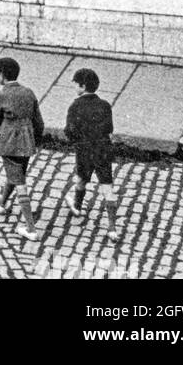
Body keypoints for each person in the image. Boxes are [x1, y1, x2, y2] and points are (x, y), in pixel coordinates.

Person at [0, 56, 45, 242]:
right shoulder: (28, 92)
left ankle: (31, 228)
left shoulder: (1, 95)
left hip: (10, 142)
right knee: (17, 173)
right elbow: (39, 121)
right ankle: (1, 201)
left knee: (20, 182)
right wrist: (36, 138)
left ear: (3, 75)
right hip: (27, 141)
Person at [64, 68, 119, 238]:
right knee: (107, 187)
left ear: (82, 86)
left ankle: (78, 206)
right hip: (102, 150)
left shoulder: (75, 106)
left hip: (84, 150)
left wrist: (76, 141)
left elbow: (70, 131)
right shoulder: (104, 105)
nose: (75, 88)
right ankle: (111, 228)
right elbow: (109, 129)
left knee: (81, 180)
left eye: (76, 84)